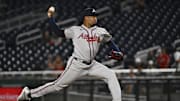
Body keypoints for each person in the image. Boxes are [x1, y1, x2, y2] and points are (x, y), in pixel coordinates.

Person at [17, 7, 124, 101]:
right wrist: (51, 19)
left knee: (111, 75)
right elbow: (58, 32)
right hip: (76, 65)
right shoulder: (75, 30)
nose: (95, 18)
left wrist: (117, 51)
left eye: (95, 16)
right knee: (57, 85)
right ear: (85, 18)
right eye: (92, 16)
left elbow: (110, 42)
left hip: (92, 65)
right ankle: (29, 93)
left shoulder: (100, 31)